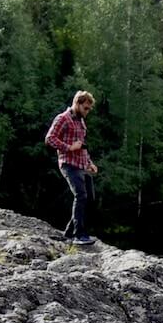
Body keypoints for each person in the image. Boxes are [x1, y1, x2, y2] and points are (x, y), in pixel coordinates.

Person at [45, 91, 99, 246]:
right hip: (68, 163)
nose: (88, 111)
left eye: (89, 109)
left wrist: (90, 163)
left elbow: (82, 146)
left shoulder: (81, 122)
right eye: (86, 108)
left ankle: (69, 233)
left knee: (89, 198)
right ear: (77, 104)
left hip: (82, 164)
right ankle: (79, 235)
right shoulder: (63, 118)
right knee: (81, 196)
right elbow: (49, 138)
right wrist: (68, 147)